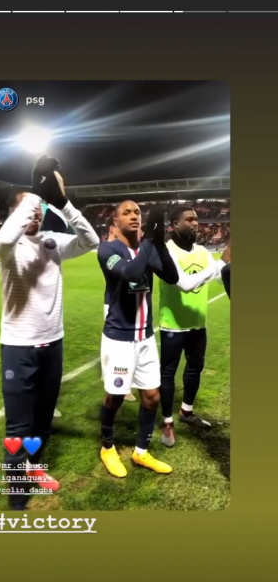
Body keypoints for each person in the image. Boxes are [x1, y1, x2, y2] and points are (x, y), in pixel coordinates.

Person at [0, 156, 99, 510]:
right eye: (28, 209)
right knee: (18, 429)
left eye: (38, 208)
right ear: (15, 214)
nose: (35, 214)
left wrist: (62, 202)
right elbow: (8, 233)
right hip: (18, 348)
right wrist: (37, 195)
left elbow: (91, 240)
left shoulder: (53, 240)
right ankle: (17, 502)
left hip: (53, 344)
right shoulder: (5, 247)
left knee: (42, 421)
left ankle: (34, 469)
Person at [97, 200, 184, 478]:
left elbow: (170, 276)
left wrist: (158, 242)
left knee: (151, 396)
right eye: (127, 213)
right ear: (116, 220)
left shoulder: (146, 247)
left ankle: (141, 451)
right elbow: (131, 272)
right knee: (116, 396)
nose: (134, 216)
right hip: (119, 339)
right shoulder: (109, 250)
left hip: (145, 337)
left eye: (137, 212)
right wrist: (149, 243)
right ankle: (107, 447)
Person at [159, 204, 226, 447]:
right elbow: (185, 283)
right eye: (189, 219)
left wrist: (224, 265)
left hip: (198, 324)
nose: (195, 223)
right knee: (168, 372)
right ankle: (167, 422)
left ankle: (187, 411)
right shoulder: (165, 251)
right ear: (175, 225)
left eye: (196, 219)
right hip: (173, 325)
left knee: (195, 368)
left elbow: (220, 276)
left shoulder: (202, 251)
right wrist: (215, 267)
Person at [102, 215, 136, 402]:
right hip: (112, 300)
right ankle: (113, 380)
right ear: (113, 227)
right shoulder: (109, 248)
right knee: (110, 343)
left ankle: (124, 380)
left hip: (123, 299)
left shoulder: (125, 246)